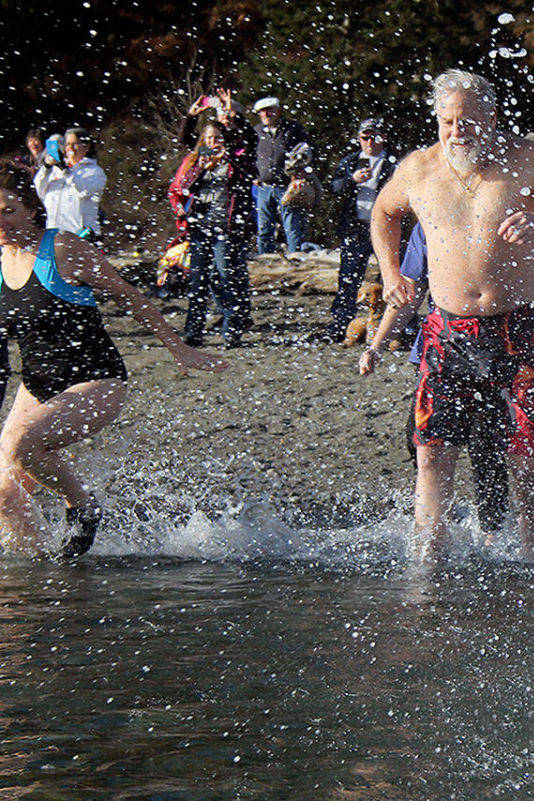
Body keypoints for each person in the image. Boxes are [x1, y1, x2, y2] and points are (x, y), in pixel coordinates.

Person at [371, 69, 534, 561]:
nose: (458, 131)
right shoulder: (418, 168)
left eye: (469, 121)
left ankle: (531, 546)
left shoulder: (525, 159)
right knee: (433, 446)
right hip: (447, 328)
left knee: (524, 444)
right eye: (448, 121)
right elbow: (383, 212)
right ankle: (428, 555)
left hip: (518, 324)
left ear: (493, 118)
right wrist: (392, 271)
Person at [0, 162, 227, 556]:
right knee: (3, 494)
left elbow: (130, 297)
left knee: (23, 443)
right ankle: (41, 568)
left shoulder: (63, 248)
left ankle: (83, 505)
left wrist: (179, 347)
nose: (1, 221)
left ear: (32, 209)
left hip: (96, 379)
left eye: (8, 209)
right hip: (36, 386)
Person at [360, 222, 534, 538]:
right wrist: (377, 345)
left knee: (488, 449)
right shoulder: (430, 220)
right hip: (443, 352)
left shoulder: (512, 216)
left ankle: (493, 533)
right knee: (421, 441)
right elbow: (410, 289)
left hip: (505, 358)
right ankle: (431, 533)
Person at [170, 90, 257, 348]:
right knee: (198, 281)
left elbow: (251, 141)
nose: (213, 141)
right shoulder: (197, 160)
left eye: (217, 137)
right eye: (208, 138)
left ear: (226, 139)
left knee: (227, 276)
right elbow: (184, 142)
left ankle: (232, 329)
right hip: (199, 227)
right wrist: (189, 116)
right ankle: (193, 331)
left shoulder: (236, 158)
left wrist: (235, 116)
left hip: (227, 227)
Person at [324, 118, 396, 342]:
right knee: (348, 279)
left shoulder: (394, 162)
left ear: (383, 137)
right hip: (355, 228)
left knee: (394, 277)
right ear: (359, 139)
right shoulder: (350, 161)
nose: (370, 142)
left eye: (375, 136)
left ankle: (400, 327)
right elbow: (333, 188)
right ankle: (341, 324)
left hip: (386, 229)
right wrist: (351, 180)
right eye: (365, 137)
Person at [252, 96, 311, 254]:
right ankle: (265, 262)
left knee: (291, 227)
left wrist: (300, 169)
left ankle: (295, 259)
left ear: (278, 111)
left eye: (271, 110)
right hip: (263, 187)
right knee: (264, 229)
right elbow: (247, 155)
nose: (267, 114)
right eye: (263, 112)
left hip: (287, 186)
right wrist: (253, 175)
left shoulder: (292, 129)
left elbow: (306, 151)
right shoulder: (256, 132)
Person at [33, 127, 106, 244]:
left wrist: (65, 171)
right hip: (54, 235)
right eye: (68, 144)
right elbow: (38, 189)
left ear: (87, 147)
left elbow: (83, 191)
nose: (70, 148)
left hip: (81, 236)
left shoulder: (95, 171)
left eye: (75, 144)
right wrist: (46, 167)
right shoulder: (55, 171)